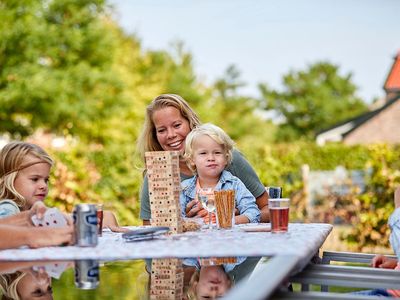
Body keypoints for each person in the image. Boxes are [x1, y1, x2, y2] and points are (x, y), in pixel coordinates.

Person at [137, 94, 269, 225]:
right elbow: (152, 228)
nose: (171, 135)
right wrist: (188, 221)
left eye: (177, 125)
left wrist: (228, 216)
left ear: (190, 122)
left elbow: (269, 210)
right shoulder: (157, 174)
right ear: (155, 135)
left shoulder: (228, 159)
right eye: (161, 130)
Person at [180, 123, 260, 224]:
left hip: (227, 237)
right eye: (203, 153)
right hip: (197, 238)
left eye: (217, 152)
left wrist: (229, 221)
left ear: (226, 158)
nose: (211, 158)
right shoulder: (184, 188)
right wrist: (192, 222)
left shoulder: (234, 184)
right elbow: (177, 219)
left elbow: (253, 212)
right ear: (192, 160)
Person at [0, 202, 74, 249]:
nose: (44, 186)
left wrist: (27, 219)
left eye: (46, 180)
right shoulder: (8, 207)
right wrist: (34, 235)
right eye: (34, 179)